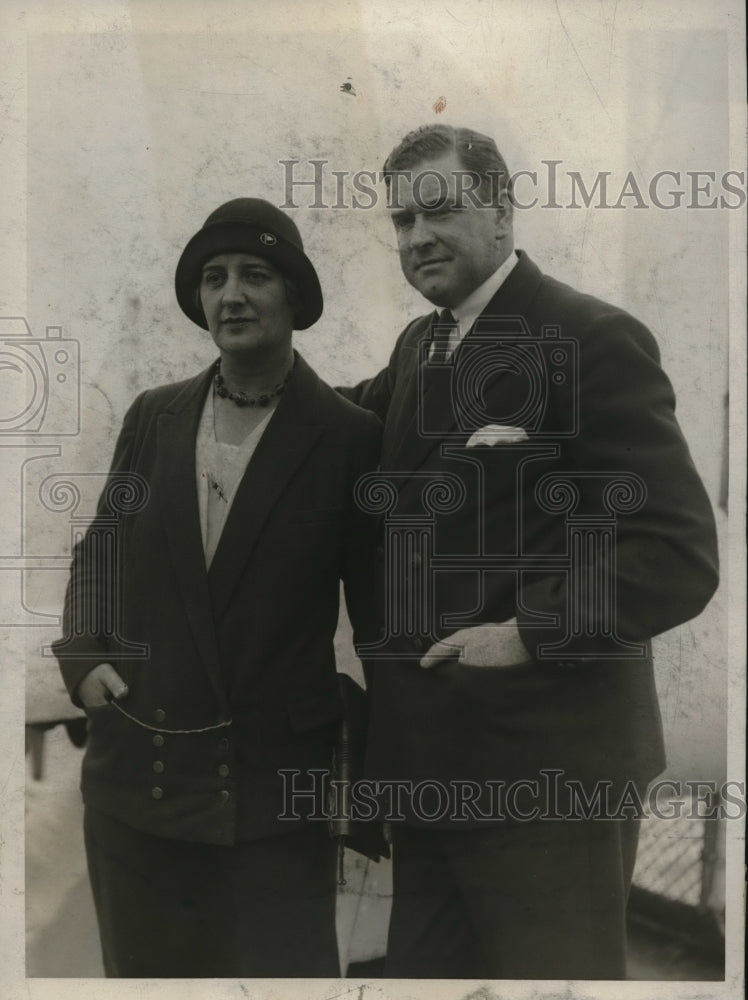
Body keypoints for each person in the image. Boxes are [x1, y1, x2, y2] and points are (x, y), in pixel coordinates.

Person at [341, 124, 719, 979]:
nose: (417, 236)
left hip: (552, 779)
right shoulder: (421, 346)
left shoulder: (590, 337)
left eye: (439, 209)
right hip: (433, 773)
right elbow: (342, 428)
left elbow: (679, 551)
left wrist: (529, 633)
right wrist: (244, 375)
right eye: (401, 222)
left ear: (504, 212)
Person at [52, 198, 381, 977]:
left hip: (270, 804)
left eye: (255, 275)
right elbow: (101, 550)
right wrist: (86, 660)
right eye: (214, 277)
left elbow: (379, 618)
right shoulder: (154, 417)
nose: (231, 294)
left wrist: (371, 786)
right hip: (137, 786)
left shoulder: (348, 437)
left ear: (294, 296)